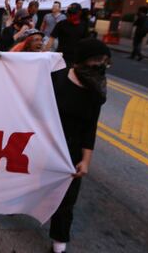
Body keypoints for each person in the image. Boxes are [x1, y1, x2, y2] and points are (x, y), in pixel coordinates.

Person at [49, 38, 111, 253]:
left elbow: (89, 127)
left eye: (104, 61)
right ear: (81, 62)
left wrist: (85, 161)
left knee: (66, 200)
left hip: (72, 152)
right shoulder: (56, 79)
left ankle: (58, 242)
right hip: (46, 145)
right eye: (96, 60)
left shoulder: (96, 89)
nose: (101, 65)